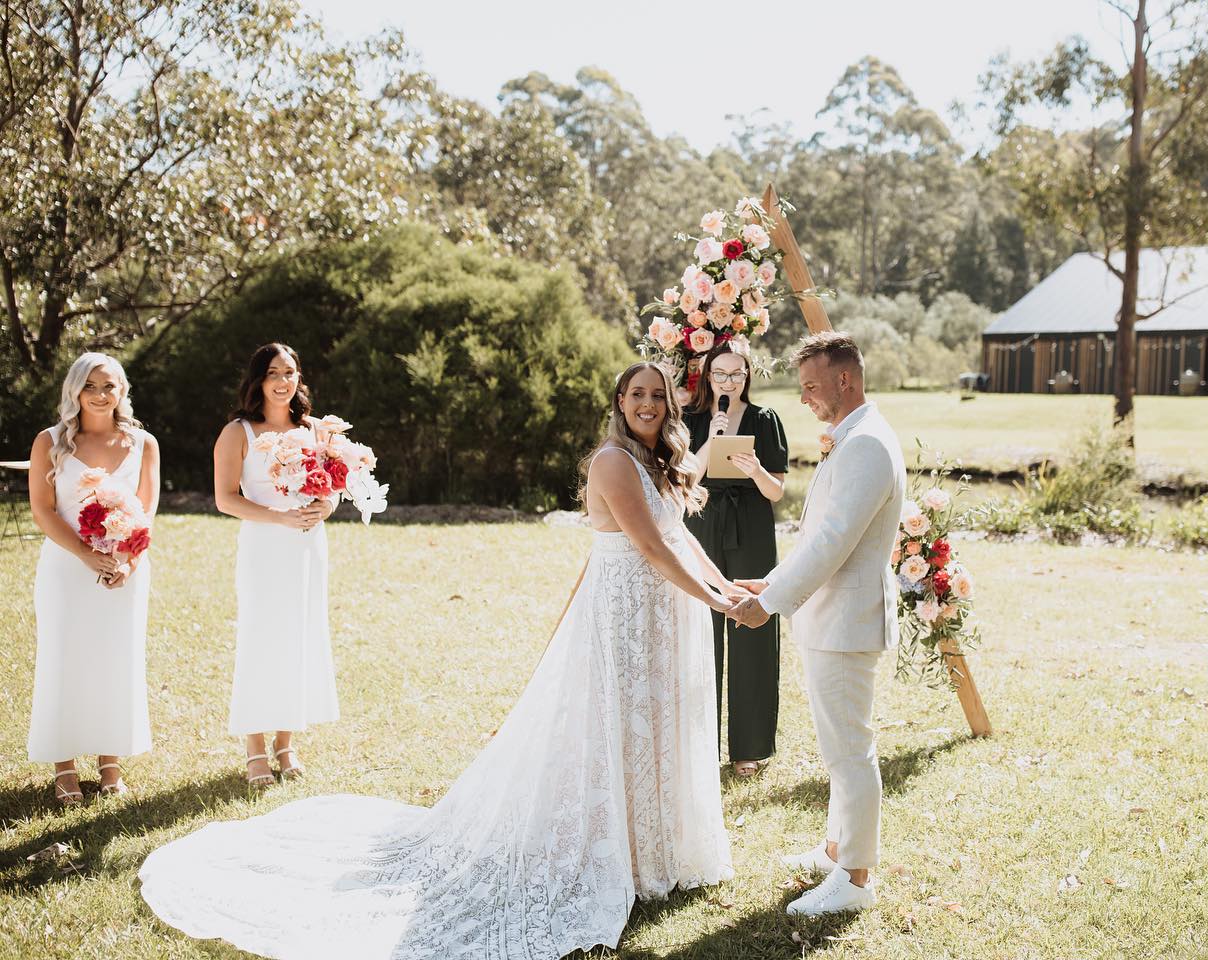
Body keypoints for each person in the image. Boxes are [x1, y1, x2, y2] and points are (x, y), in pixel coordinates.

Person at [139, 361, 741, 959]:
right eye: (637, 393)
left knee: (653, 729)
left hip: (662, 616)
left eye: (657, 395)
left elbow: (681, 538)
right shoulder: (613, 461)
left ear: (670, 404)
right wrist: (720, 603)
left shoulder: (662, 464)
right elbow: (651, 546)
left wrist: (730, 586)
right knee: (612, 730)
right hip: (623, 619)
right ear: (618, 400)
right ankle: (610, 851)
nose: (648, 404)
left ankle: (651, 851)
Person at [729, 331, 905, 916]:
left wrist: (772, 600)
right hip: (836, 615)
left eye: (811, 386)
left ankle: (854, 881)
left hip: (848, 620)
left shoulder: (866, 446)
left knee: (851, 750)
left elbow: (834, 541)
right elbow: (823, 538)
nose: (803, 397)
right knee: (839, 748)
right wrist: (772, 580)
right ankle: (836, 850)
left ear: (844, 380)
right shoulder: (853, 439)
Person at [27, 352, 159, 804]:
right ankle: (63, 766)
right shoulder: (50, 442)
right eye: (92, 387)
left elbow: (147, 510)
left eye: (111, 386)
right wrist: (87, 554)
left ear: (123, 391)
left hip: (125, 569)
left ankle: (109, 762)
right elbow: (43, 509)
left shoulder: (144, 444)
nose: (102, 395)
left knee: (114, 660)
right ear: (75, 391)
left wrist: (128, 562)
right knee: (64, 657)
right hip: (66, 567)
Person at [214, 343, 338, 786]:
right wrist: (278, 518)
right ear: (257, 381)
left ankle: (286, 743)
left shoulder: (316, 429)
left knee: (298, 639)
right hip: (265, 547)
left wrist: (325, 507)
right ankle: (254, 747)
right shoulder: (238, 433)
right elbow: (225, 498)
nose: (283, 382)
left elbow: (332, 488)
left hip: (308, 548)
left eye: (290, 373)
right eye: (273, 373)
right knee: (261, 639)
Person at [683, 341, 788, 778]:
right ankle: (698, 745)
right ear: (708, 377)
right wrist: (712, 439)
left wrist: (754, 470)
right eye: (721, 374)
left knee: (751, 627)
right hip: (703, 521)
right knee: (699, 628)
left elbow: (776, 491)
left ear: (747, 376)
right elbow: (685, 476)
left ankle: (749, 746)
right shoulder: (690, 420)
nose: (729, 381)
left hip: (751, 527)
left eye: (737, 374)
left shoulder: (766, 421)